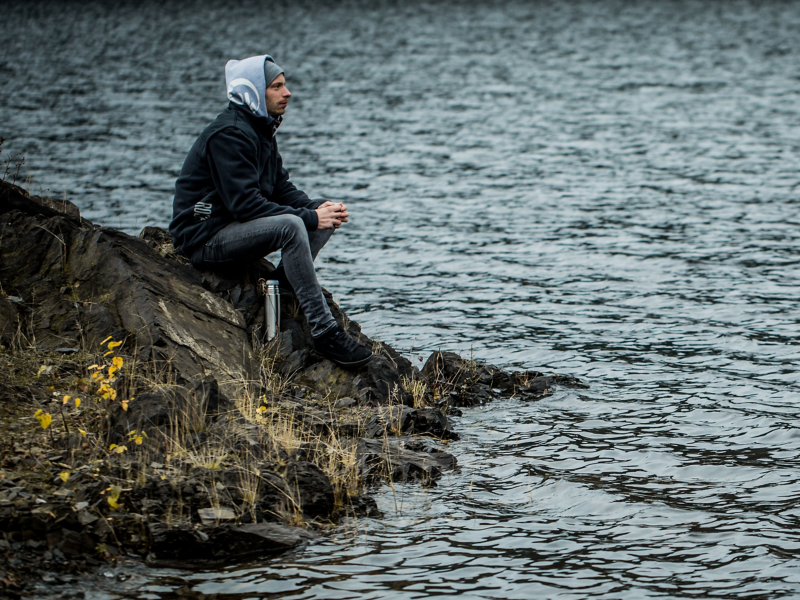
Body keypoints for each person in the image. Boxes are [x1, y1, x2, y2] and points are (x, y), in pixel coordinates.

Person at [169, 54, 372, 369]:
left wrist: (318, 209)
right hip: (204, 237)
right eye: (276, 86)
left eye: (284, 85)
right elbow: (246, 205)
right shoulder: (229, 134)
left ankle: (287, 285)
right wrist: (307, 217)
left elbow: (281, 189)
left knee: (320, 214)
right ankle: (325, 332)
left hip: (233, 228)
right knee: (293, 225)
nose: (287, 92)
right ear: (253, 92)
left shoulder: (260, 131)